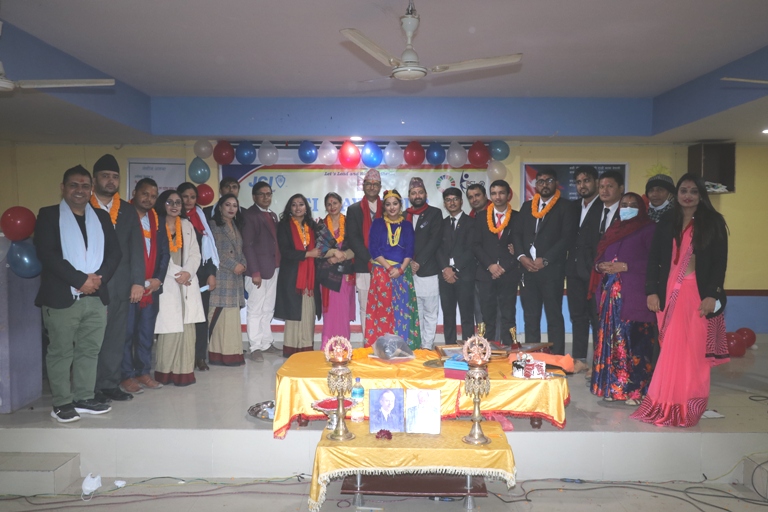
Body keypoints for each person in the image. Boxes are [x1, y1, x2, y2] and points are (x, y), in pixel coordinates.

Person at [632, 174, 729, 428]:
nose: (688, 196)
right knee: (670, 351)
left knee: (694, 352)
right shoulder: (667, 221)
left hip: (697, 295)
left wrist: (712, 294)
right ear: (677, 194)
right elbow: (654, 259)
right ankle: (666, 403)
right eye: (684, 190)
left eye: (694, 191)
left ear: (701, 195)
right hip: (668, 294)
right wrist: (651, 291)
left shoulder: (713, 222)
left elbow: (720, 262)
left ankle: (689, 405)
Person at [34, 165, 121, 422]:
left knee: (89, 350)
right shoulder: (49, 215)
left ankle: (83, 397)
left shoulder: (101, 217)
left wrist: (97, 279)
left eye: (85, 186)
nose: (79, 190)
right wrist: (80, 280)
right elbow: (47, 254)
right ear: (63, 188)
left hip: (95, 297)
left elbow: (115, 253)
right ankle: (61, 403)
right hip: (62, 298)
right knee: (61, 352)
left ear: (91, 189)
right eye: (74, 185)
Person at [88, 154, 147, 402]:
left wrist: (138, 281)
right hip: (90, 285)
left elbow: (136, 248)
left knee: (115, 338)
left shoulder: (127, 209)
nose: (110, 181)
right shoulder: (83, 206)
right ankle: (89, 388)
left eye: (115, 177)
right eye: (105, 176)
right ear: (94, 180)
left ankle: (110, 384)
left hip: (121, 284)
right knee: (91, 338)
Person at [589, 192, 657, 404]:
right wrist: (600, 266)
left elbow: (656, 262)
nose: (627, 208)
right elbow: (600, 256)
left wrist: (626, 266)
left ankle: (636, 391)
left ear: (641, 208)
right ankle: (612, 388)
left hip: (634, 297)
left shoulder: (649, 229)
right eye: (624, 204)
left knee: (635, 343)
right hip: (610, 297)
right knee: (611, 343)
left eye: (632, 204)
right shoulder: (614, 229)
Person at [513, 168, 573, 354]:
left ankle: (556, 358)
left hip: (551, 271)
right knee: (531, 317)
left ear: (556, 183)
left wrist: (546, 260)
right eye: (540, 181)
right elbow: (516, 234)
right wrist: (521, 257)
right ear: (536, 185)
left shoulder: (565, 207)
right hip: (527, 271)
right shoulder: (527, 207)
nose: (544, 185)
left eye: (549, 181)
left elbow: (567, 238)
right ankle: (532, 358)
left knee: (554, 316)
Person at [122, 179, 170, 396]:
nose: (149, 199)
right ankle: (126, 375)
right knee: (126, 334)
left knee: (145, 334)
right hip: (129, 288)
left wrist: (158, 279)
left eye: (153, 196)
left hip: (151, 289)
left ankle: (143, 372)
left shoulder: (157, 220)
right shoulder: (123, 217)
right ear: (134, 192)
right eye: (144, 194)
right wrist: (135, 281)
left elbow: (164, 253)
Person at [153, 190, 205, 386]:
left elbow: (195, 254)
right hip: (166, 280)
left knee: (186, 327)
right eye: (169, 202)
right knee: (169, 327)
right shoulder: (156, 224)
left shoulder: (187, 225)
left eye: (178, 202)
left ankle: (184, 372)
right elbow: (156, 256)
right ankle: (165, 372)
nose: (174, 206)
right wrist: (178, 274)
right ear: (162, 204)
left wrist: (188, 273)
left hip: (186, 281)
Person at [364, 189, 421, 349]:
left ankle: (402, 348)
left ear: (400, 205)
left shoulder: (407, 225)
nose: (392, 207)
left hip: (402, 272)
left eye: (395, 204)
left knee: (402, 310)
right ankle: (382, 348)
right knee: (383, 311)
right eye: (388, 204)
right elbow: (373, 249)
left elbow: (409, 250)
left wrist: (401, 270)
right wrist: (389, 268)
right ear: (384, 207)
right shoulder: (378, 223)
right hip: (382, 272)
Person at [274, 194, 323, 358]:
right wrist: (308, 254)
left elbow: (323, 246)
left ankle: (306, 347)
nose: (297, 208)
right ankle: (291, 348)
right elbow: (285, 251)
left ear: (306, 208)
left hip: (310, 277)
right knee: (293, 312)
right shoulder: (284, 226)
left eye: (301, 204)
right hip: (291, 276)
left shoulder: (313, 226)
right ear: (290, 208)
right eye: (294, 204)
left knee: (308, 313)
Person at [472, 180, 520, 347]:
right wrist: (490, 265)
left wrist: (504, 267)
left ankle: (509, 350)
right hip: (486, 274)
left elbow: (520, 247)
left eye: (501, 193)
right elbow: (475, 245)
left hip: (509, 274)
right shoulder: (481, 217)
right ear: (490, 196)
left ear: (508, 195)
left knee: (508, 315)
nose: (497, 197)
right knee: (488, 316)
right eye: (494, 193)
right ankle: (489, 351)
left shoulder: (517, 217)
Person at [178, 182, 219, 372]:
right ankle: (181, 355)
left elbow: (209, 249)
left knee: (201, 317)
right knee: (180, 317)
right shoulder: (172, 218)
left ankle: (199, 356)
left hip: (201, 276)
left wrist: (211, 274)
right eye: (185, 196)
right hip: (178, 275)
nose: (188, 200)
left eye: (192, 197)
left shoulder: (201, 218)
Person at [566, 166, 603, 371]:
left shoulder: (604, 206)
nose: (582, 185)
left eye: (586, 181)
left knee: (597, 318)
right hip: (573, 271)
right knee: (578, 316)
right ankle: (580, 359)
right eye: (579, 182)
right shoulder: (572, 207)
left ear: (596, 182)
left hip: (595, 272)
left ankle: (599, 362)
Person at [242, 182, 281, 362]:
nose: (266, 197)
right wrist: (254, 271)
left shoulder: (272, 215)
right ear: (254, 197)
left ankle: (266, 342)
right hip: (257, 271)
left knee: (268, 308)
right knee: (255, 309)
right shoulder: (249, 215)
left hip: (273, 268)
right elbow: (247, 246)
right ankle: (255, 346)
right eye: (262, 194)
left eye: (269, 194)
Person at [207, 194, 247, 366]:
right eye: (227, 205)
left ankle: (232, 353)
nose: (231, 208)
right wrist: (233, 265)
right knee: (220, 317)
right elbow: (213, 251)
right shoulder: (213, 225)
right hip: (221, 276)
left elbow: (240, 250)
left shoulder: (236, 225)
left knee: (231, 318)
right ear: (220, 207)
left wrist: (243, 264)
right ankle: (217, 355)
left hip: (235, 278)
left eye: (234, 205)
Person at [406, 177, 442, 350]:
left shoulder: (434, 213)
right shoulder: (404, 215)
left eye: (420, 192)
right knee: (415, 312)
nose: (417, 195)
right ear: (409, 196)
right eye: (414, 193)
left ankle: (427, 346)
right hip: (408, 272)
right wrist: (409, 263)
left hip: (428, 271)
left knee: (430, 312)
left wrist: (418, 262)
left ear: (426, 194)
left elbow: (434, 241)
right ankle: (417, 345)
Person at [437, 188, 477, 345]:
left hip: (465, 275)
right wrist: (445, 269)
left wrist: (455, 268)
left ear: (461, 201)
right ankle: (450, 347)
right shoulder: (441, 224)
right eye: (448, 200)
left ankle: (469, 348)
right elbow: (437, 248)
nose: (451, 203)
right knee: (448, 315)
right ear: (444, 203)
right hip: (445, 276)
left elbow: (472, 249)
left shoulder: (471, 223)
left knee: (467, 316)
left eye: (455, 199)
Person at [318, 192, 356, 349]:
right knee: (330, 313)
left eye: (335, 203)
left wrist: (343, 256)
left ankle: (344, 346)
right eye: (329, 204)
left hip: (345, 273)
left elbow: (356, 246)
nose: (332, 206)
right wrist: (333, 254)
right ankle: (328, 346)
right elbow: (318, 249)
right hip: (327, 275)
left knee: (342, 312)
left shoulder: (349, 223)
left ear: (341, 204)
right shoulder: (320, 226)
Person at [346, 169, 383, 329]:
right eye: (369, 184)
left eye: (375, 184)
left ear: (380, 187)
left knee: (384, 306)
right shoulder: (354, 210)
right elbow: (353, 239)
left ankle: (383, 340)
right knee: (365, 307)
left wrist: (383, 260)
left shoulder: (389, 207)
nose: (372, 187)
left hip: (386, 266)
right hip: (363, 264)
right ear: (363, 186)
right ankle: (368, 340)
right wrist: (370, 258)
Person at [466, 183, 492, 334]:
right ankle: (483, 342)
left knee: (493, 312)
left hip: (492, 270)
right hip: (474, 271)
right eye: (470, 197)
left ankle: (495, 342)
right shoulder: (471, 217)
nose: (474, 199)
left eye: (477, 195)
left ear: (485, 196)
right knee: (478, 311)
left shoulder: (496, 215)